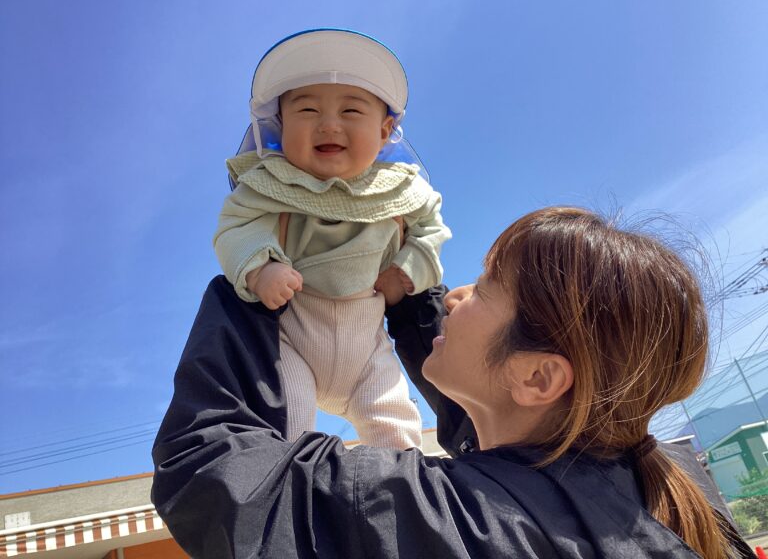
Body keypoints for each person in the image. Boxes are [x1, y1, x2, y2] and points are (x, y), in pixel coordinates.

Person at [153, 207, 755, 558]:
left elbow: (213, 473)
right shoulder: (669, 493)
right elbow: (498, 444)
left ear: (539, 376)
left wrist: (252, 280)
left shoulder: (461, 524)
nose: (455, 294)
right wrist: (407, 299)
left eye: (486, 288)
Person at [213, 28, 450, 449]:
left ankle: (400, 485)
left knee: (394, 425)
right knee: (288, 424)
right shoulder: (270, 185)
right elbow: (236, 226)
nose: (328, 124)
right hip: (294, 335)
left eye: (351, 110)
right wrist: (260, 268)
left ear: (385, 130)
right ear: (280, 125)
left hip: (367, 340)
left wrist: (407, 269)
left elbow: (432, 228)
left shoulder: (398, 189)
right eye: (306, 109)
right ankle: (293, 481)